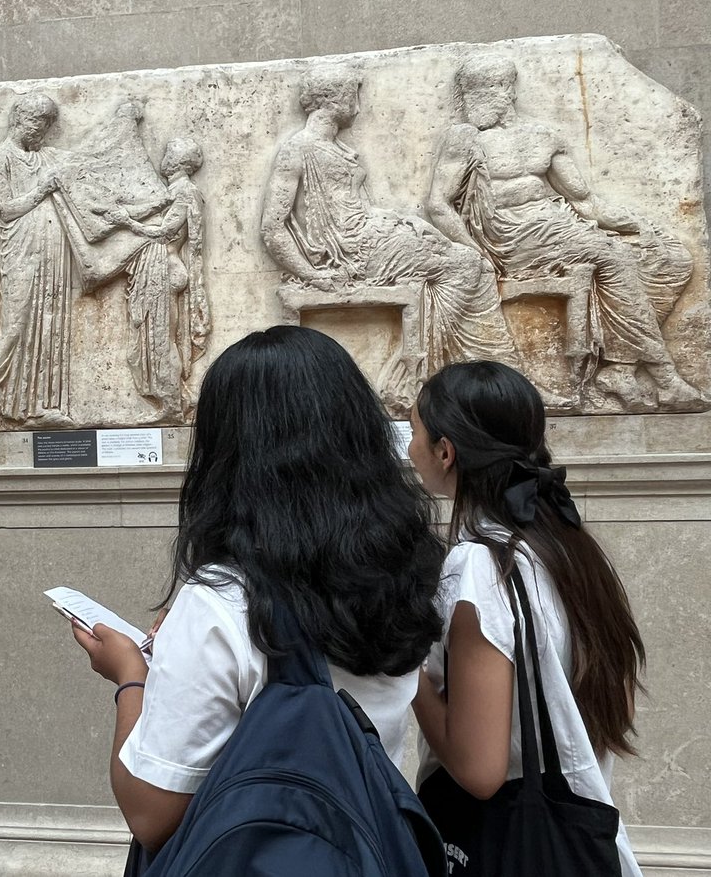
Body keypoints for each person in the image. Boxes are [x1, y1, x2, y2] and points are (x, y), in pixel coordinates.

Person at [69, 325, 445, 853]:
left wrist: (131, 675)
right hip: (365, 848)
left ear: (226, 453)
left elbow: (150, 813)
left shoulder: (222, 604)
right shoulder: (404, 574)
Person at [408, 360, 644, 876]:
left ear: (445, 452)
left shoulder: (479, 565)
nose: (409, 448)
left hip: (512, 850)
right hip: (587, 842)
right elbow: (614, 708)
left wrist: (406, 672)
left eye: (415, 432)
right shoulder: (566, 548)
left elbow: (479, 772)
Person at [427, 53, 700, 411]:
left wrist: (634, 225)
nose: (474, 99)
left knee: (669, 258)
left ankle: (620, 366)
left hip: (557, 226)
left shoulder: (543, 136)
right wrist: (474, 254)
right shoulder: (463, 138)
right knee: (610, 255)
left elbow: (585, 201)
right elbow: (437, 205)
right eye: (470, 90)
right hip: (506, 237)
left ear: (508, 90)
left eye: (486, 88)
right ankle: (664, 377)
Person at [260, 68, 520, 385]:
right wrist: (314, 275)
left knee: (472, 262)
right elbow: (272, 229)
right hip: (352, 255)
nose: (357, 108)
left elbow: (362, 210)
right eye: (352, 98)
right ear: (331, 100)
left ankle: (479, 363)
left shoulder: (340, 151)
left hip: (373, 238)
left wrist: (406, 222)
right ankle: (438, 369)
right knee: (466, 264)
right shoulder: (296, 150)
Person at [0, 93, 73, 426]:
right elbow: (5, 208)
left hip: (53, 254)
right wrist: (42, 189)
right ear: (21, 120)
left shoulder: (46, 157)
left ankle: (41, 405)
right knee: (15, 324)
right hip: (21, 251)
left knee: (50, 325)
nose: (43, 132)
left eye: (48, 126)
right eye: (40, 124)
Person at [106, 136, 210, 419]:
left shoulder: (185, 191)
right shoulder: (173, 190)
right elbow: (152, 208)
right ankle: (176, 398)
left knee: (161, 340)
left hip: (163, 269)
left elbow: (166, 233)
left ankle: (172, 404)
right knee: (151, 341)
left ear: (177, 161)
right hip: (157, 270)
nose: (163, 159)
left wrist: (127, 223)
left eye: (168, 154)